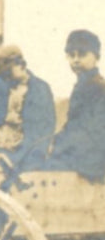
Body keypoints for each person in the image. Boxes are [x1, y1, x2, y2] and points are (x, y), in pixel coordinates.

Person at [0, 43, 55, 171]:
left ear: (21, 65)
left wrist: (14, 160)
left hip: (27, 161)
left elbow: (42, 136)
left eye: (8, 75)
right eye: (2, 76)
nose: (5, 81)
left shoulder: (41, 90)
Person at [39, 29, 105, 182]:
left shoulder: (98, 88)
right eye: (71, 55)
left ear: (96, 57)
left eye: (82, 54)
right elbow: (73, 125)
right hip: (84, 156)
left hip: (92, 162)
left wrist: (61, 148)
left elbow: (95, 130)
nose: (76, 60)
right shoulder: (83, 85)